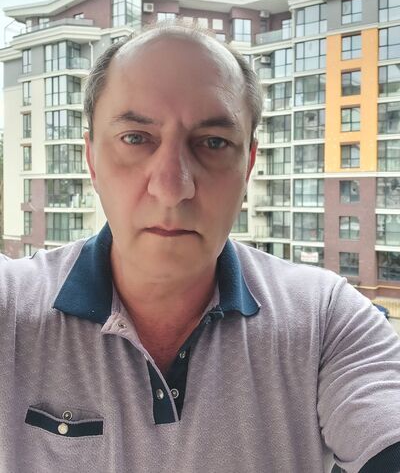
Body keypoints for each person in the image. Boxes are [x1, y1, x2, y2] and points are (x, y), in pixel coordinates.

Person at [1, 23, 400, 473]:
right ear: (92, 159)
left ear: (248, 165)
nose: (173, 188)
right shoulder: (12, 309)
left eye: (213, 143)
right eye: (136, 138)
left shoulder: (325, 320)